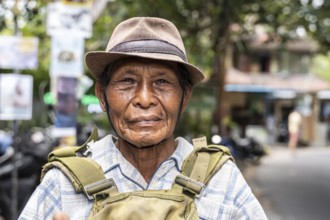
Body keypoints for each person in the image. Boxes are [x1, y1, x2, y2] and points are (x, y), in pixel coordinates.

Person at [19, 17, 267, 219]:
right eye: (127, 81)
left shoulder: (221, 179)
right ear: (102, 96)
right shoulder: (63, 183)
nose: (145, 98)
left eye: (162, 82)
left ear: (185, 96)